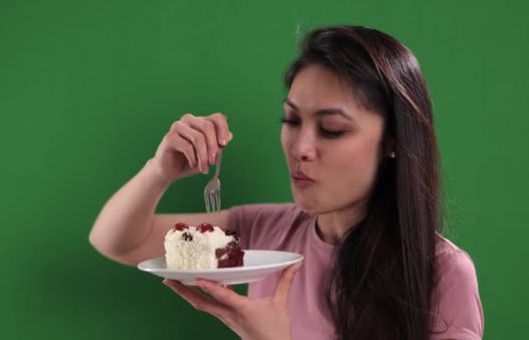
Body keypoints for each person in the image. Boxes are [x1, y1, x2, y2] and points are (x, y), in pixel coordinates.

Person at [89, 25, 484, 340]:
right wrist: (160, 171)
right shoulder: (264, 232)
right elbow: (117, 241)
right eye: (292, 121)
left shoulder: (442, 272)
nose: (301, 148)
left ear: (392, 143)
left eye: (331, 129)